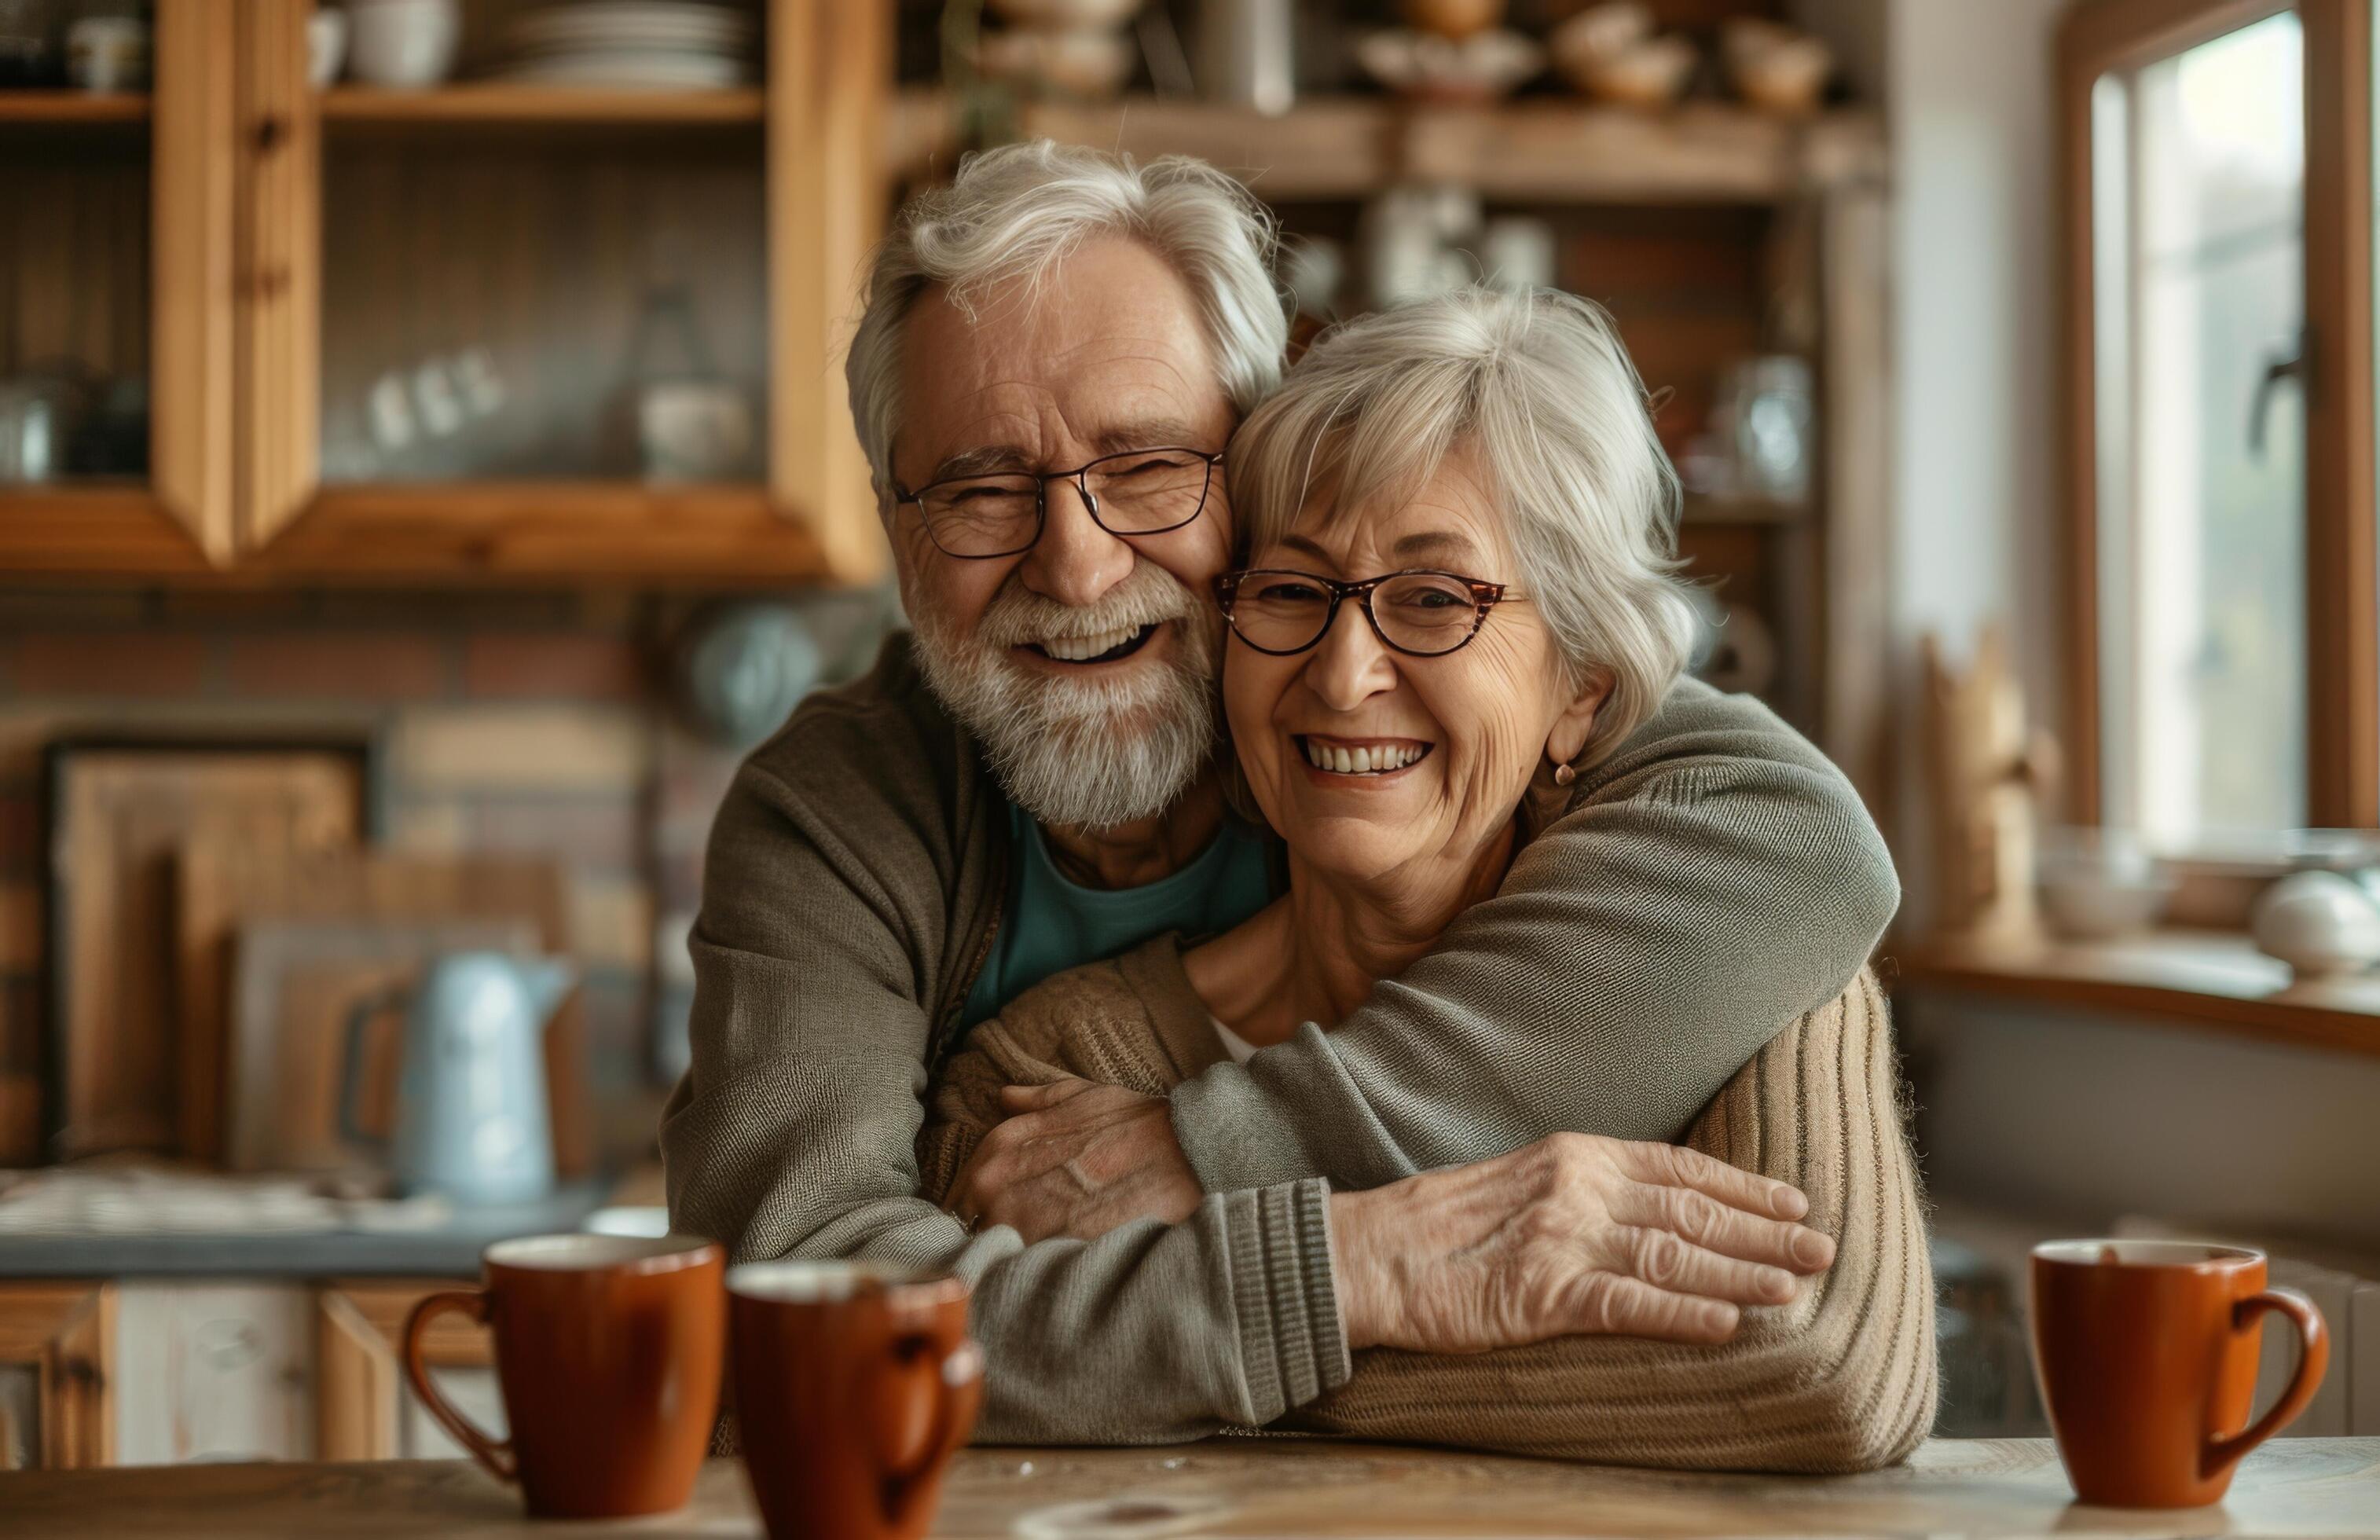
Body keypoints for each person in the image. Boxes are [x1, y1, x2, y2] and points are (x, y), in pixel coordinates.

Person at [661, 142, 1900, 1445]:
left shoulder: (1450, 742)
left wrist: (1221, 1160)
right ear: (892, 524)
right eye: (980, 489)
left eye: (1144, 465)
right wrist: (1356, 1270)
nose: (1076, 567)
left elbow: (1802, 839)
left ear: (1248, 471)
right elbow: (799, 1318)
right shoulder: (837, 817)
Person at [922, 288, 1935, 1472]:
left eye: (1434, 600)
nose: (1344, 675)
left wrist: (1204, 1339)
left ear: (1583, 690)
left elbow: (1816, 1373)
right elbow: (937, 1360)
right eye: (1292, 592)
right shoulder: (1060, 1082)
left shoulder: (1726, 970)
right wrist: (1371, 1268)